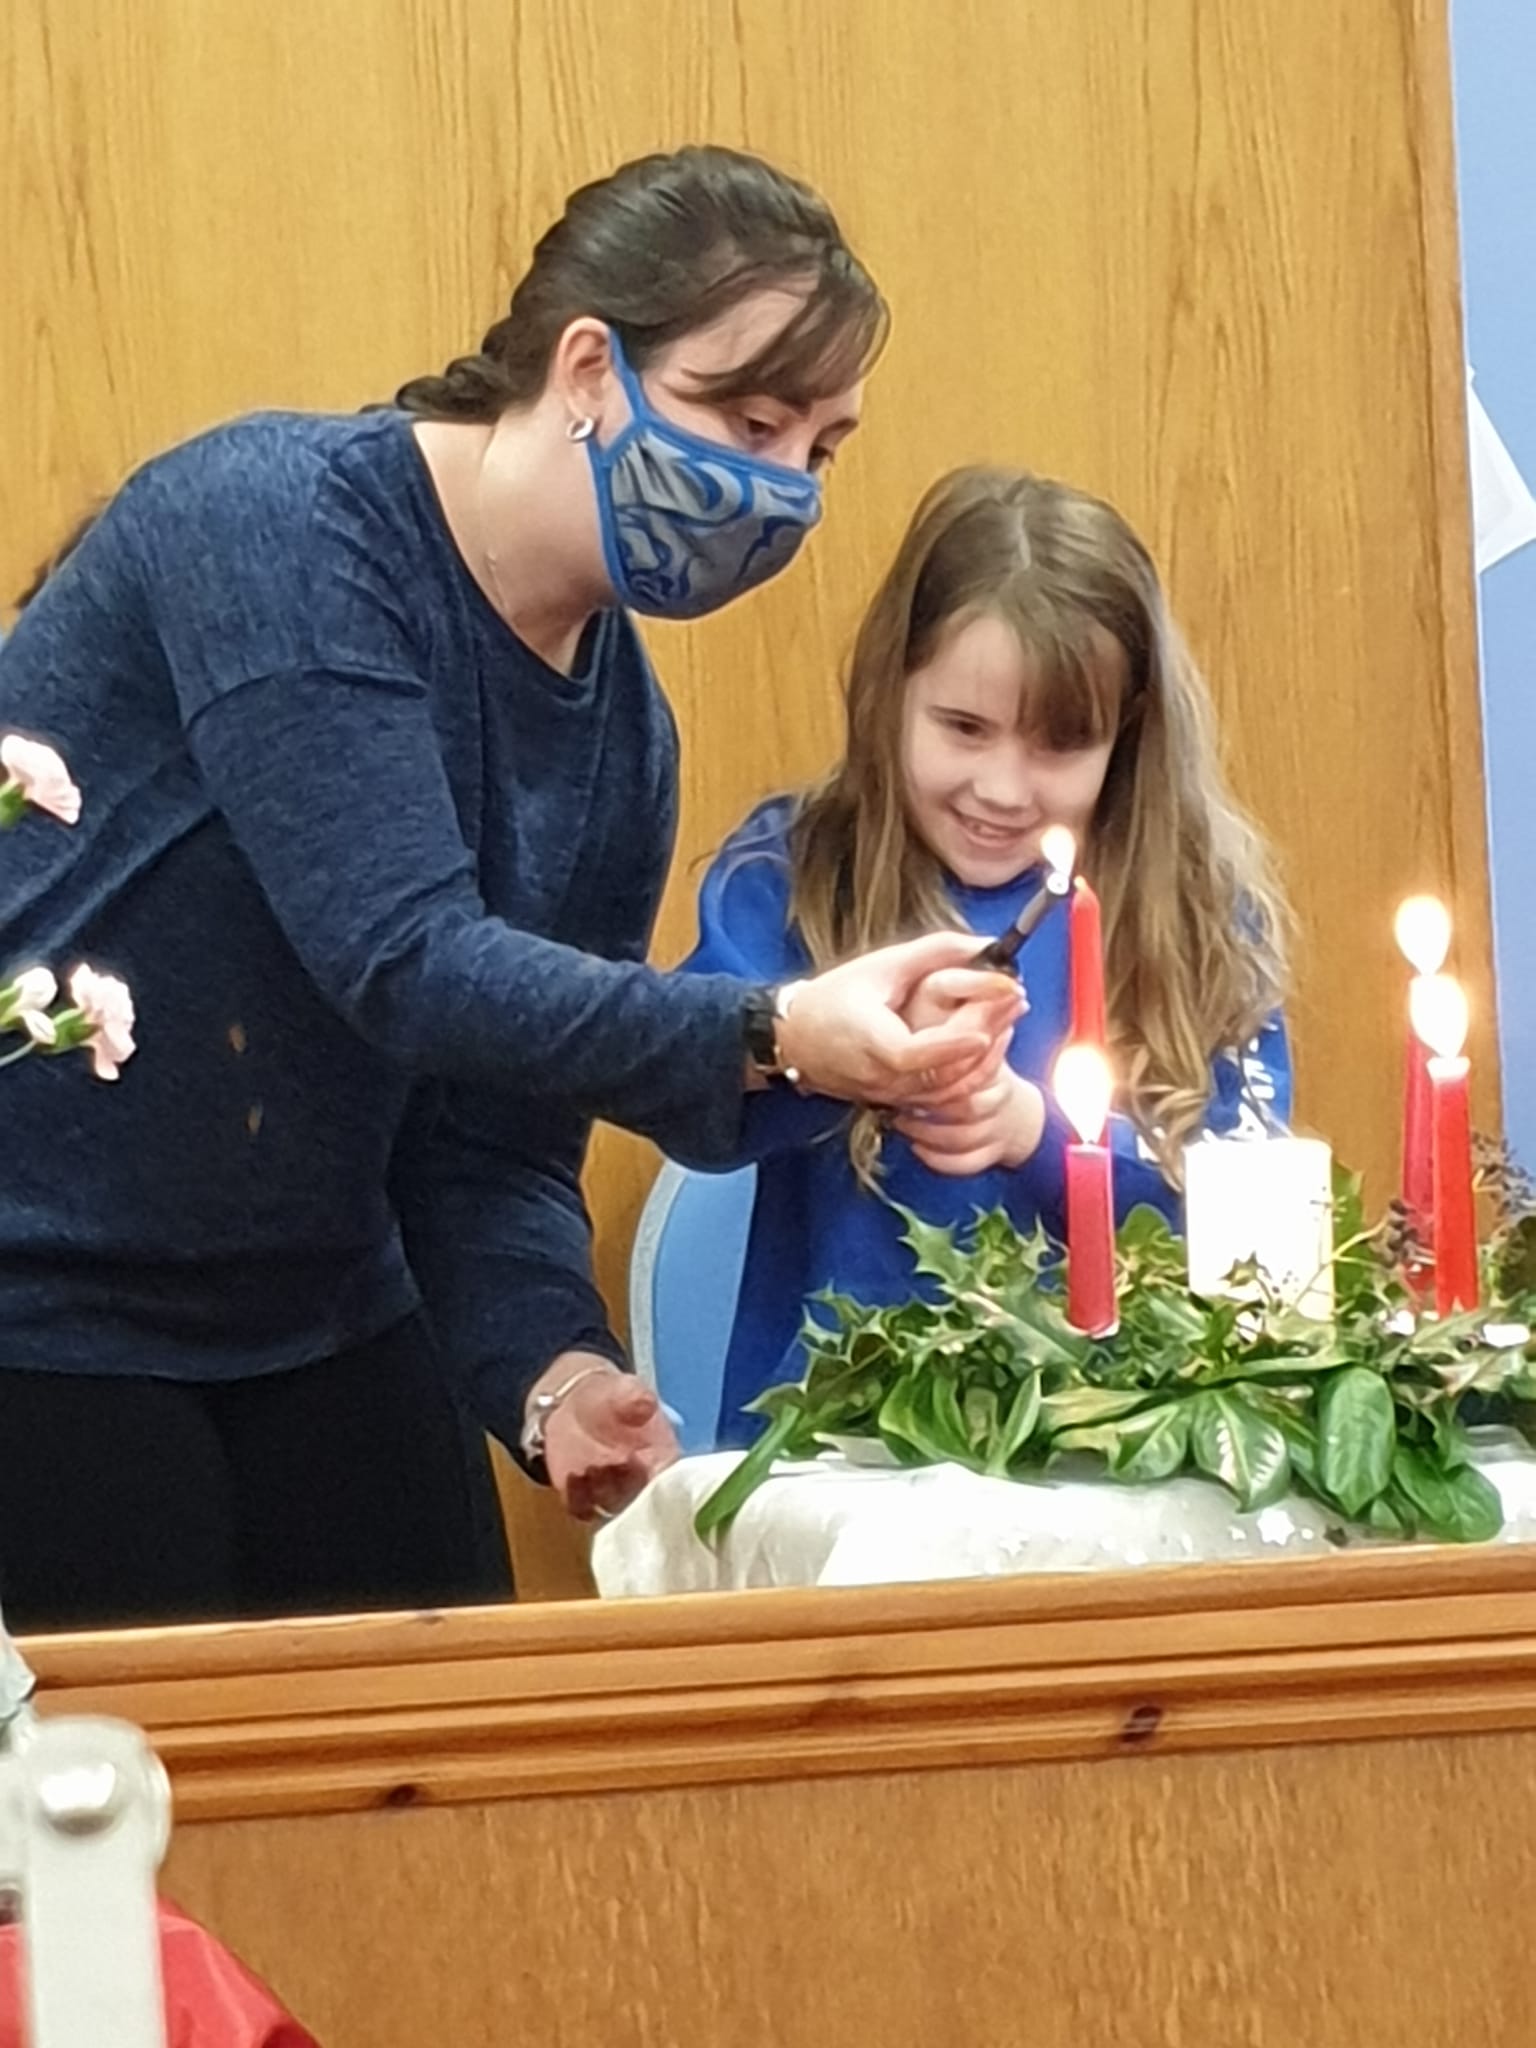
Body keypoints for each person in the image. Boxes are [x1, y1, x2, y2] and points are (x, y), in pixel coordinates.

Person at [0, 147, 1019, 1629]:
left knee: (457, 1757)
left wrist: (555, 1371)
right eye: (752, 423)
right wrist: (779, 1032)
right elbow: (405, 958)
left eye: (823, 447)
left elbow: (493, 1142)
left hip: (328, 1312)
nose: (785, 488)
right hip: (44, 1318)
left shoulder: (625, 734)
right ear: (589, 368)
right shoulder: (278, 522)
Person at [683, 465, 1296, 1445]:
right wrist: (826, 1045)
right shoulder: (790, 878)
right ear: (890, 689)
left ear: (1129, 732)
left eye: (1061, 743)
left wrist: (1039, 1134)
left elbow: (1254, 1237)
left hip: (1123, 1458)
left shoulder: (1200, 918)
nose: (1003, 788)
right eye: (964, 728)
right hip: (832, 1461)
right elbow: (681, 1094)